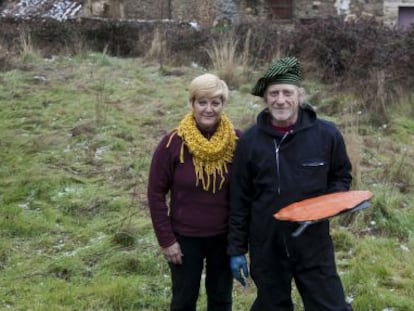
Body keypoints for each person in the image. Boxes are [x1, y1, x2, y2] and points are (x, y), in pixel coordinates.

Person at [227, 57, 353, 310]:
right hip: (267, 244)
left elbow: (341, 176)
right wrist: (237, 249)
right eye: (274, 93)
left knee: (331, 307)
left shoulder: (326, 135)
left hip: (313, 242)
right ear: (265, 98)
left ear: (300, 95)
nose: (281, 100)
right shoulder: (250, 142)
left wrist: (326, 207)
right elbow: (239, 198)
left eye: (287, 92)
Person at [147, 73, 241, 311]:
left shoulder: (238, 141)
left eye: (215, 103)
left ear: (223, 105)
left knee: (221, 300)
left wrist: (240, 242)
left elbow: (247, 192)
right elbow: (155, 193)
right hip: (184, 239)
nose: (209, 109)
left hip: (223, 238)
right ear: (192, 104)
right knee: (183, 300)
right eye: (202, 102)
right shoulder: (172, 143)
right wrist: (167, 240)